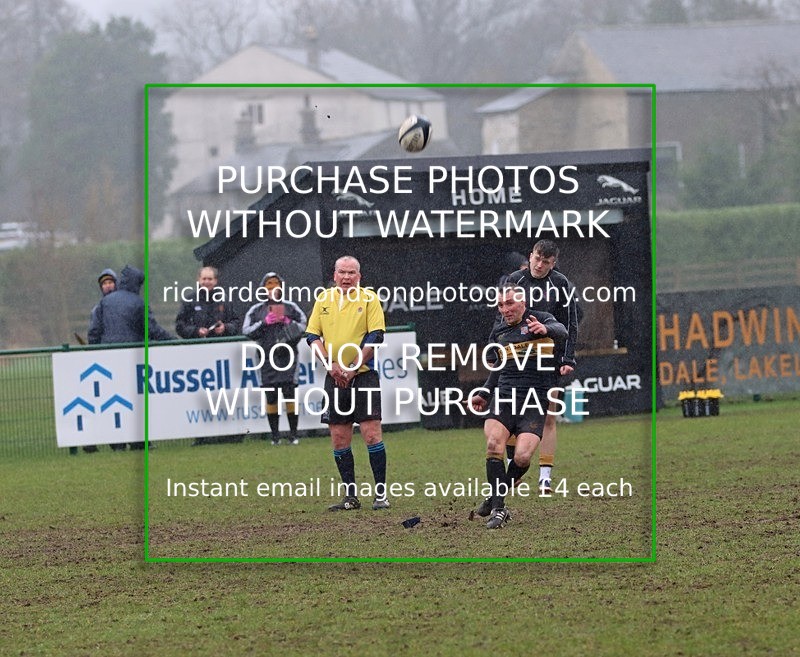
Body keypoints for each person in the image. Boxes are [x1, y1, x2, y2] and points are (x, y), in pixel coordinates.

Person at [469, 285, 567, 529]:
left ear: (523, 303)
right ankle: (499, 509)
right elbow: (498, 366)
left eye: (510, 303)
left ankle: (494, 497)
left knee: (522, 457)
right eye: (501, 305)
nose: (505, 309)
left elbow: (562, 331)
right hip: (505, 397)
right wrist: (485, 392)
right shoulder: (499, 331)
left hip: (534, 400)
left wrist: (546, 329)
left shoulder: (541, 319)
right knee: (494, 444)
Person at [304, 255, 389, 511]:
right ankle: (351, 496)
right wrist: (330, 365)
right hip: (334, 376)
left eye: (351, 273)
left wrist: (352, 368)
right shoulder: (323, 299)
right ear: (334, 275)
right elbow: (312, 336)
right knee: (339, 438)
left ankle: (381, 495)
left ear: (359, 276)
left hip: (363, 375)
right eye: (342, 272)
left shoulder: (369, 299)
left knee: (371, 435)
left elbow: (376, 336)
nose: (346, 277)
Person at [503, 239, 579, 495]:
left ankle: (545, 477)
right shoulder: (515, 280)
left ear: (552, 263)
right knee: (512, 414)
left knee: (548, 416)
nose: (539, 265)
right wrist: (497, 348)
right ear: (530, 256)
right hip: (519, 356)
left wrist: (568, 358)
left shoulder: (561, 284)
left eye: (545, 262)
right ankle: (514, 469)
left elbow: (570, 323)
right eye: (537, 259)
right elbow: (503, 318)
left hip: (549, 358)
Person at [87, 264, 174, 450]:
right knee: (136, 399)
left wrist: (95, 353)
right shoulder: (138, 302)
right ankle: (139, 441)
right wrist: (173, 341)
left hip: (109, 358)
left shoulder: (104, 303)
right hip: (133, 359)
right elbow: (152, 330)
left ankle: (117, 442)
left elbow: (94, 331)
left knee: (113, 399)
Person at [242, 272, 307, 445]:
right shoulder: (256, 310)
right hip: (266, 358)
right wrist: (265, 322)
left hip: (288, 356)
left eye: (275, 285)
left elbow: (304, 325)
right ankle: (275, 437)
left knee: (289, 393)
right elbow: (246, 330)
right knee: (271, 395)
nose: (272, 290)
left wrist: (287, 321)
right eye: (268, 286)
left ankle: (294, 435)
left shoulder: (291, 307)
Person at [82, 268, 118, 453]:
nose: (108, 286)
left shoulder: (125, 305)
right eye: (105, 284)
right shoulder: (98, 310)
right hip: (106, 360)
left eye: (110, 282)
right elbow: (94, 334)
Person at [175, 266, 240, 340]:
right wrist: (196, 331)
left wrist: (225, 328)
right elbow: (180, 326)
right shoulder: (189, 300)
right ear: (199, 280)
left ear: (215, 281)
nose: (206, 282)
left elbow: (236, 323)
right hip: (197, 344)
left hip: (220, 343)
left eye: (210, 279)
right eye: (204, 279)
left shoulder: (224, 299)